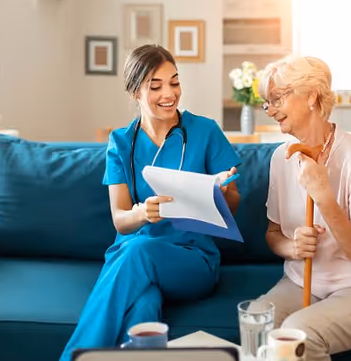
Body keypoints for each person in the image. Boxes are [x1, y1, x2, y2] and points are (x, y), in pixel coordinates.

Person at [59, 44, 242, 361]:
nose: (169, 93)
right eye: (155, 86)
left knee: (137, 251)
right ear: (134, 92)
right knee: (142, 305)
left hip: (192, 260)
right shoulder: (120, 142)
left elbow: (234, 206)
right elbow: (120, 220)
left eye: (174, 81)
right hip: (133, 256)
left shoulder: (205, 131)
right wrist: (143, 213)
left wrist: (224, 193)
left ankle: (73, 357)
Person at [255, 55, 351, 361]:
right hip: (303, 281)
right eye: (266, 102)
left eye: (277, 99)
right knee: (257, 322)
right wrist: (291, 247)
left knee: (298, 336)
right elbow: (273, 233)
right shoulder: (279, 159)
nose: (270, 110)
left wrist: (324, 196)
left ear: (311, 96)